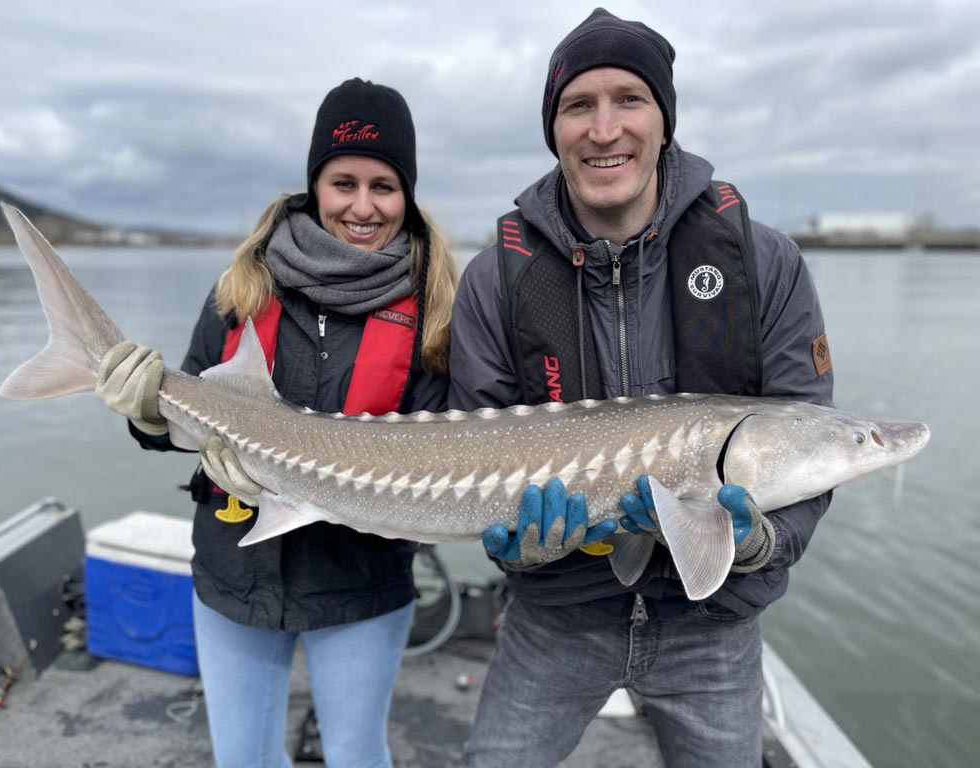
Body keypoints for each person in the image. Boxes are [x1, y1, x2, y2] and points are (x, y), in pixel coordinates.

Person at [449, 8, 834, 767]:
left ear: (664, 121)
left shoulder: (764, 263)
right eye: (577, 106)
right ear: (554, 128)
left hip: (712, 626)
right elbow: (472, 452)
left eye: (629, 99)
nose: (604, 129)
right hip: (556, 619)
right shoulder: (497, 279)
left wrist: (763, 543)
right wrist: (521, 551)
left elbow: (809, 441)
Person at [94, 78, 458, 768]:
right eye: (343, 181)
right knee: (243, 758)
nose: (362, 205)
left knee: (357, 755)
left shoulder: (435, 308)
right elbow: (184, 414)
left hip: (360, 580)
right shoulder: (244, 285)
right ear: (314, 184)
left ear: (406, 193)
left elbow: (443, 445)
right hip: (236, 569)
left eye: (384, 185)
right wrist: (144, 411)